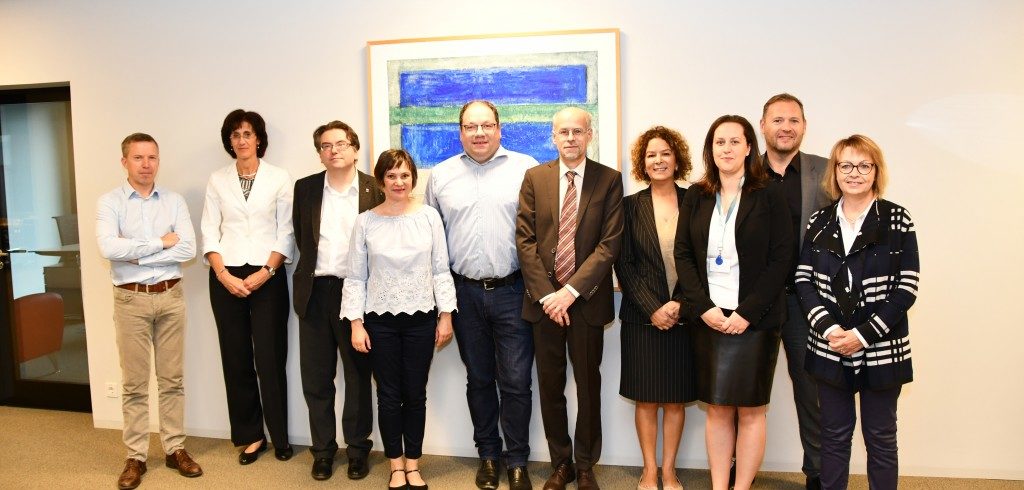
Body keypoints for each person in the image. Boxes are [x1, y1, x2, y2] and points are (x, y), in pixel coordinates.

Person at [423, 100, 538, 490]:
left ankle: (517, 460)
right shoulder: (441, 175)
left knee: (517, 381)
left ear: (499, 128)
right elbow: (432, 240)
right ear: (460, 132)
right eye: (471, 126)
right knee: (479, 379)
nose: (479, 133)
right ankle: (488, 456)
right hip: (464, 294)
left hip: (514, 290)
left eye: (486, 125)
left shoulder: (525, 169)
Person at [674, 115, 792, 490]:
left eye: (734, 141)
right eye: (719, 142)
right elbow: (683, 254)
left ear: (748, 147)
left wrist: (747, 313)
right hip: (709, 316)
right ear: (710, 149)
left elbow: (781, 259)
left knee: (752, 410)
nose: (726, 149)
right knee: (718, 408)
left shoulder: (769, 194)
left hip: (755, 319)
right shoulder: (697, 194)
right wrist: (703, 307)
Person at [796, 135, 918, 490]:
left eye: (864, 165)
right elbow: (803, 279)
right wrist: (830, 330)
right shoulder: (819, 220)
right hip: (829, 345)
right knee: (833, 436)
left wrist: (863, 335)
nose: (854, 173)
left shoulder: (897, 219)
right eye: (846, 165)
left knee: (881, 437)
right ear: (835, 172)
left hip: (882, 346)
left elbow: (907, 286)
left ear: (876, 171)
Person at [516, 106, 624, 490]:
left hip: (586, 303)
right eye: (563, 132)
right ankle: (561, 464)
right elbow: (525, 241)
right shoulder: (535, 178)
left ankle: (585, 465)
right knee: (550, 387)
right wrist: (549, 297)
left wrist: (570, 292)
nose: (571, 138)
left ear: (589, 135)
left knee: (588, 387)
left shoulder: (609, 180)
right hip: (545, 306)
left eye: (578, 131)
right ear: (553, 137)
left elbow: (609, 244)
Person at [342, 149, 456, 490]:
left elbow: (441, 270)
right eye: (391, 175)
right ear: (380, 181)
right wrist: (356, 323)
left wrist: (446, 316)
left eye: (404, 175)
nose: (398, 182)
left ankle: (414, 464)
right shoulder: (365, 222)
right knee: (389, 396)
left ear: (413, 179)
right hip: (379, 321)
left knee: (415, 394)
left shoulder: (429, 217)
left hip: (422, 318)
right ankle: (395, 465)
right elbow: (355, 276)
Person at [96, 133, 203, 489]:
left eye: (152, 157)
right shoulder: (110, 203)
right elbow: (109, 248)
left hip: (170, 297)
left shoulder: (173, 201)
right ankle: (136, 456)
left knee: (172, 380)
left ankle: (174, 449)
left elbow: (187, 249)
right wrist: (160, 243)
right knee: (135, 384)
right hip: (131, 300)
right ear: (124, 161)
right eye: (138, 157)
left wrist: (137, 255)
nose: (146, 164)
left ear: (158, 161)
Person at [201, 109, 295, 465]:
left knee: (270, 359)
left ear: (258, 139)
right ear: (229, 141)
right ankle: (251, 436)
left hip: (267, 275)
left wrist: (266, 271)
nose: (241, 140)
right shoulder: (217, 180)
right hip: (226, 275)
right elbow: (209, 230)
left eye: (247, 133)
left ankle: (281, 436)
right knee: (236, 358)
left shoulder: (279, 178)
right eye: (235, 134)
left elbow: (287, 231)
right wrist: (223, 274)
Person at [292, 121, 383, 480]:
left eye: (341, 143)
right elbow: (302, 236)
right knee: (316, 378)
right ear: (320, 153)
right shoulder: (305, 188)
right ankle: (323, 451)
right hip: (315, 291)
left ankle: (358, 450)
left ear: (355, 149)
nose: (334, 151)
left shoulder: (374, 188)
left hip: (357, 293)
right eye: (326, 146)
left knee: (358, 376)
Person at [614, 126, 695, 490]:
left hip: (685, 316)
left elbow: (705, 262)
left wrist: (680, 304)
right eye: (651, 155)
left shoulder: (696, 202)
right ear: (642, 163)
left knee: (676, 400)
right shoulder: (629, 207)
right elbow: (624, 264)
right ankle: (649, 470)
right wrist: (653, 308)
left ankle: (669, 470)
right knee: (646, 400)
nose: (658, 160)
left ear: (677, 159)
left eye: (665, 153)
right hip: (641, 318)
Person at [759, 93, 832, 490]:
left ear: (804, 126)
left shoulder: (827, 172)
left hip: (806, 302)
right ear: (763, 126)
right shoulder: (743, 172)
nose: (785, 127)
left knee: (812, 391)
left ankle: (818, 473)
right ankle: (737, 467)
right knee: (745, 390)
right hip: (754, 304)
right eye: (778, 120)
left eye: (793, 120)